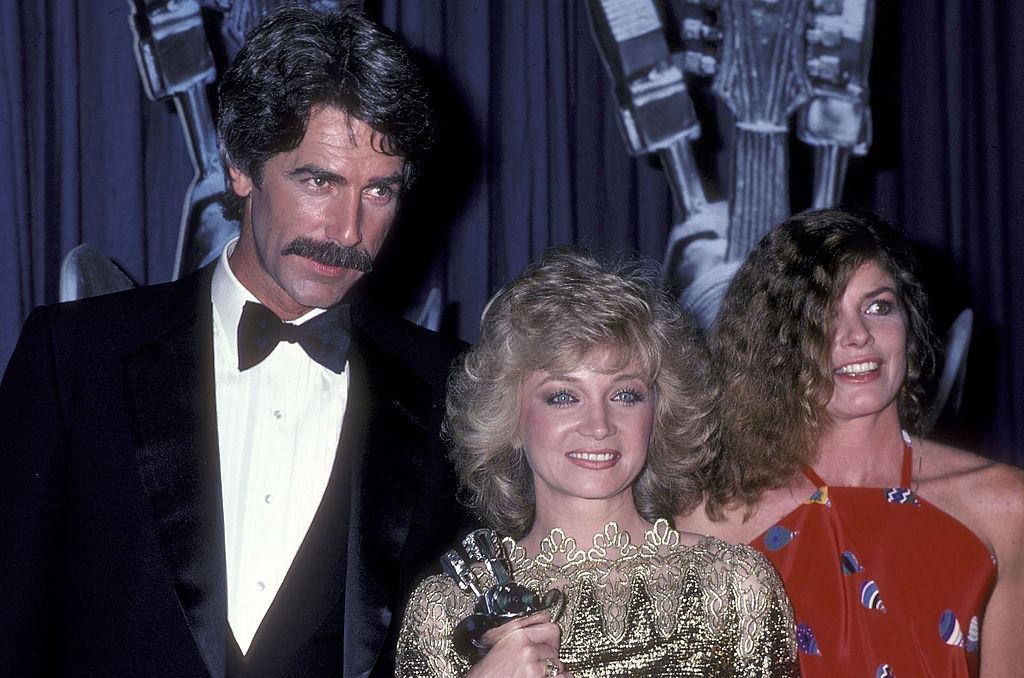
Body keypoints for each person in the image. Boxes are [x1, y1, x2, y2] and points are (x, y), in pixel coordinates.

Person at [0, 7, 467, 677]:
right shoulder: (75, 358)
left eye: (379, 192)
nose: (346, 231)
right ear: (241, 167)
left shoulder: (449, 387)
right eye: (319, 181)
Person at [395, 248, 798, 677]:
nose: (599, 425)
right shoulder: (444, 609)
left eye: (625, 394)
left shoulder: (737, 584)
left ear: (659, 414)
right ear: (510, 418)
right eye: (563, 397)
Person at [679, 208, 1024, 677]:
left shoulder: (1004, 506)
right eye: (821, 315)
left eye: (877, 306)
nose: (857, 335)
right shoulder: (709, 522)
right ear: (778, 344)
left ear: (909, 323)